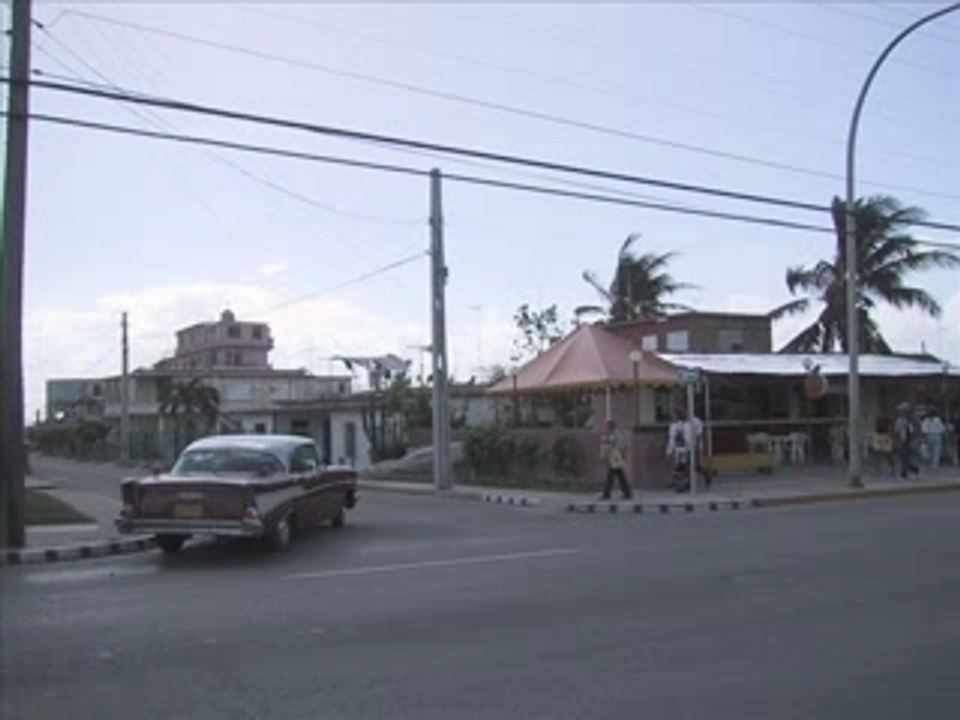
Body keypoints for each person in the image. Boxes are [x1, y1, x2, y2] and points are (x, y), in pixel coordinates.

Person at [666, 408, 714, 491]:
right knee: (692, 466)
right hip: (683, 448)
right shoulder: (679, 423)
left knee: (690, 466)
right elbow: (675, 437)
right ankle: (706, 475)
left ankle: (688, 484)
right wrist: (671, 449)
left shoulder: (695, 421)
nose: (676, 418)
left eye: (677, 415)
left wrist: (696, 447)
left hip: (694, 447)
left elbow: (699, 435)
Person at [599, 419, 632, 500]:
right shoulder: (610, 435)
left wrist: (610, 443)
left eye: (609, 426)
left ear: (612, 426)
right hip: (613, 458)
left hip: (616, 458)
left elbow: (622, 445)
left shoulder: (617, 435)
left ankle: (606, 494)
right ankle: (627, 493)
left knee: (610, 476)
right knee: (620, 475)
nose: (607, 428)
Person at [893, 403, 919, 480]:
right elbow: (896, 430)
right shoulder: (900, 419)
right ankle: (913, 470)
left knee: (906, 458)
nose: (901, 412)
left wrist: (915, 439)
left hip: (909, 440)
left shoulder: (912, 419)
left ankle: (904, 474)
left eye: (902, 410)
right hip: (902, 440)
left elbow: (914, 430)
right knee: (903, 458)